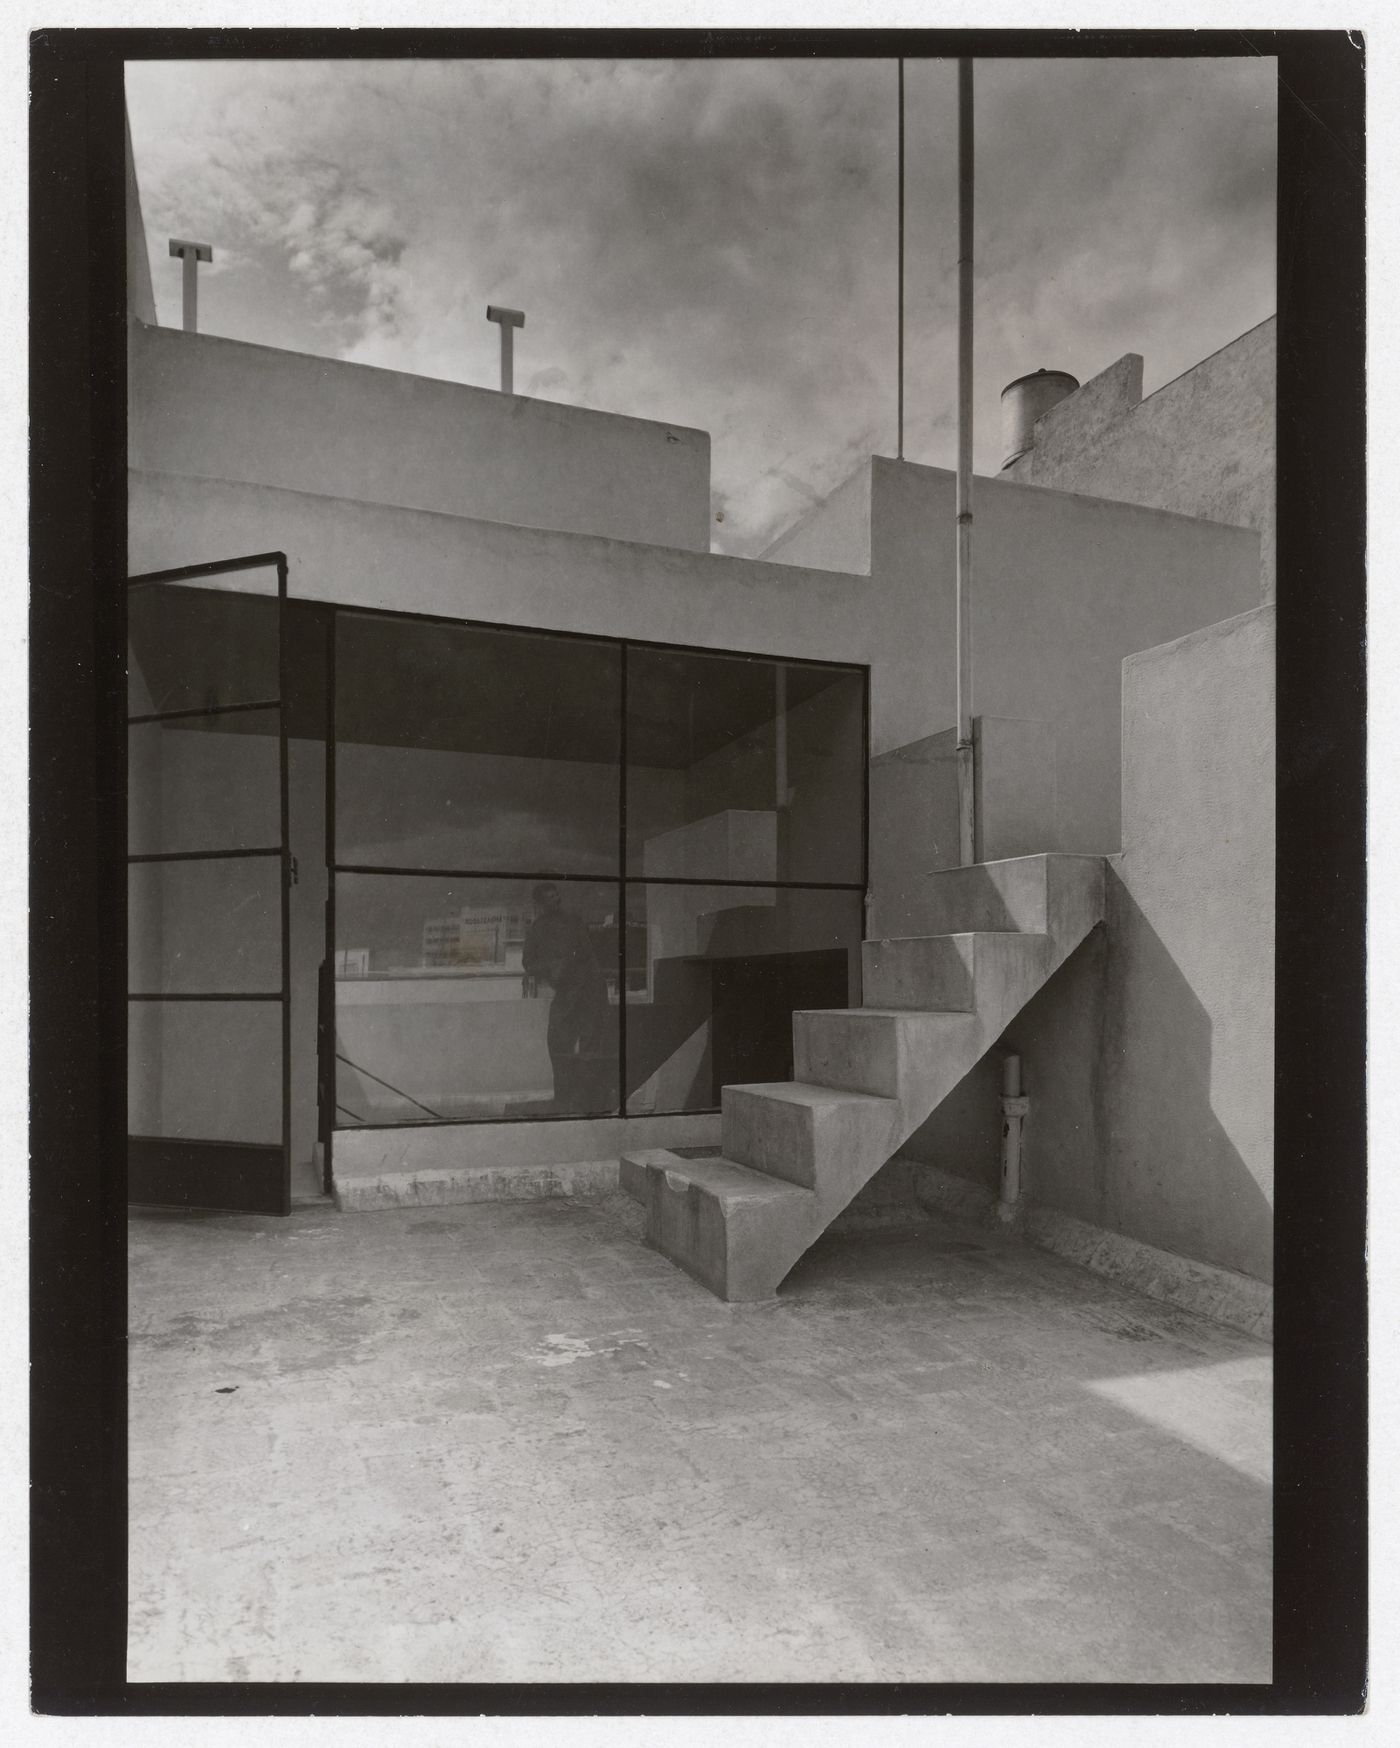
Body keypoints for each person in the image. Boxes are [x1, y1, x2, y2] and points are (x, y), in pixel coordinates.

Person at [521, 883, 612, 1112]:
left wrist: (568, 965)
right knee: (558, 1041)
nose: (556, 901)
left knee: (592, 1044)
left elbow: (586, 951)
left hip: (590, 989)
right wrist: (551, 969)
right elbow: (528, 962)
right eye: (550, 898)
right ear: (540, 903)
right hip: (566, 992)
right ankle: (565, 1098)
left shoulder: (573, 921)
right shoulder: (536, 929)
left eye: (557, 896)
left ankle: (591, 1100)